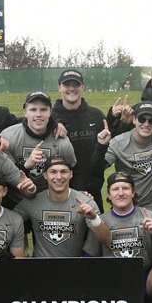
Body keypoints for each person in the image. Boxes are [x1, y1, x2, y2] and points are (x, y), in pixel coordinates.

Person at [97, 171, 152, 299]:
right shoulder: (100, 222)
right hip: (112, 280)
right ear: (109, 194)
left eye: (126, 188)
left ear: (133, 192)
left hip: (144, 280)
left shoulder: (150, 217)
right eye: (115, 189)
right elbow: (89, 256)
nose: (121, 193)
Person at [14, 157, 109, 257]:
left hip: (75, 268)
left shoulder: (85, 203)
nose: (59, 177)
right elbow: (7, 221)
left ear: (71, 174)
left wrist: (94, 219)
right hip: (40, 268)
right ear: (45, 175)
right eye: (53, 172)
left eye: (64, 172)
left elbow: (106, 240)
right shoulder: (33, 202)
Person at [51, 68, 110, 207]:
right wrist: (53, 123)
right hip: (60, 192)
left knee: (95, 227)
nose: (72, 89)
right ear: (59, 87)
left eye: (76, 85)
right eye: (67, 85)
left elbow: (105, 153)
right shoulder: (49, 118)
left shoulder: (96, 115)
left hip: (92, 192)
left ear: (82, 87)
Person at [101, 101, 152, 213]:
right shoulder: (118, 142)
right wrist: (100, 146)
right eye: (142, 119)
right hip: (126, 205)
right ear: (134, 119)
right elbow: (97, 168)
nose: (146, 124)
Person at [0, 91, 77, 193]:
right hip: (15, 199)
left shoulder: (62, 141)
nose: (38, 114)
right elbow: (5, 175)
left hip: (49, 199)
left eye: (43, 110)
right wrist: (26, 166)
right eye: (33, 109)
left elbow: (72, 173)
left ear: (50, 112)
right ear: (25, 112)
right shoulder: (8, 137)